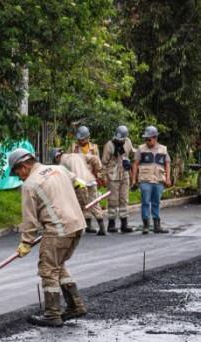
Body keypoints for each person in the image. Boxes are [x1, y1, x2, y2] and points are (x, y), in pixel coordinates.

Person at [9, 148, 87, 327]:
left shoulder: (30, 184)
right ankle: (76, 305)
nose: (18, 177)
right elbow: (80, 184)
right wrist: (81, 198)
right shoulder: (59, 169)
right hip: (77, 225)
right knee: (57, 266)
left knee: (48, 269)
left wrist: (25, 243)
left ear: (24, 166)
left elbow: (29, 220)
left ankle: (52, 314)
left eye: (17, 172)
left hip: (58, 229)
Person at [53, 147, 106, 235]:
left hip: (80, 183)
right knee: (93, 203)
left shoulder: (61, 163)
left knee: (77, 206)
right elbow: (95, 159)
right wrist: (99, 173)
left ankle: (75, 229)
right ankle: (101, 227)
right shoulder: (78, 155)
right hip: (91, 181)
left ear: (57, 157)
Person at [132, 125, 172, 234]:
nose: (147, 141)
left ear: (155, 138)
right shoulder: (141, 149)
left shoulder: (163, 149)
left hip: (159, 180)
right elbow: (135, 164)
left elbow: (167, 164)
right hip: (145, 180)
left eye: (149, 139)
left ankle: (156, 225)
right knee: (145, 202)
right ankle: (145, 225)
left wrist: (168, 178)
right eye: (145, 139)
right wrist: (133, 180)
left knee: (156, 202)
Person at [101, 125, 135, 233]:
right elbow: (104, 163)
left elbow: (133, 152)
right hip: (113, 176)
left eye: (122, 139)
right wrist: (104, 177)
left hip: (124, 174)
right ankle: (111, 224)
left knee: (124, 199)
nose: (119, 141)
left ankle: (124, 224)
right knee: (113, 200)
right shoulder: (109, 145)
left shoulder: (128, 142)